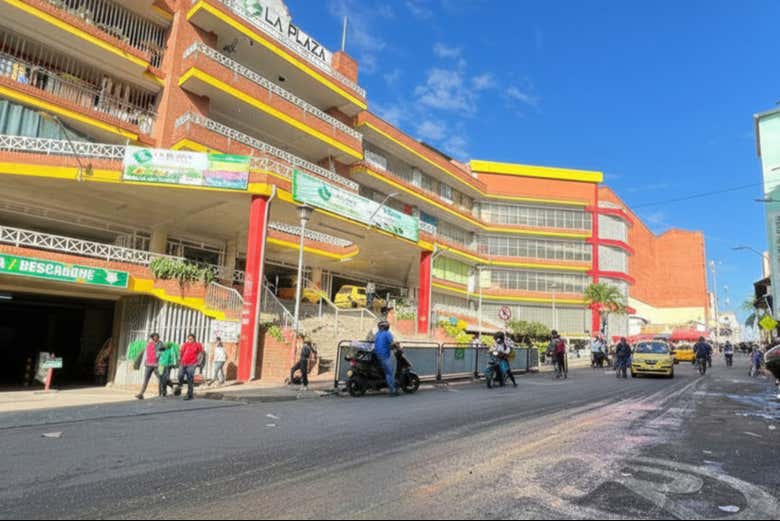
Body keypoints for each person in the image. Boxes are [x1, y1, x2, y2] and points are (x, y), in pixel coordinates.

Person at [136, 333, 164, 400]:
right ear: (152, 338)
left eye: (156, 337)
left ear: (158, 337)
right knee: (146, 379)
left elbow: (162, 354)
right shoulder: (149, 344)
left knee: (161, 379)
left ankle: (161, 393)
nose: (155, 338)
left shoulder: (161, 344)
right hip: (148, 364)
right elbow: (145, 353)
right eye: (154, 337)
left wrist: (159, 358)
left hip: (157, 365)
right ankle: (141, 394)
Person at [374, 320, 398, 396]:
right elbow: (392, 343)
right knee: (389, 373)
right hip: (384, 355)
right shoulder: (387, 333)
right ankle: (392, 390)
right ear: (386, 327)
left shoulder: (377, 334)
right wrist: (396, 346)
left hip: (377, 354)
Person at [179, 334, 204, 401]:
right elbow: (181, 352)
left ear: (194, 339)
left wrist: (198, 363)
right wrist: (180, 360)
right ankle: (180, 386)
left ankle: (189, 394)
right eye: (189, 339)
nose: (190, 340)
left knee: (190, 379)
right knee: (180, 375)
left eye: (191, 339)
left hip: (192, 364)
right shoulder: (185, 344)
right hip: (183, 363)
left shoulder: (198, 345)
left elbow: (201, 353)